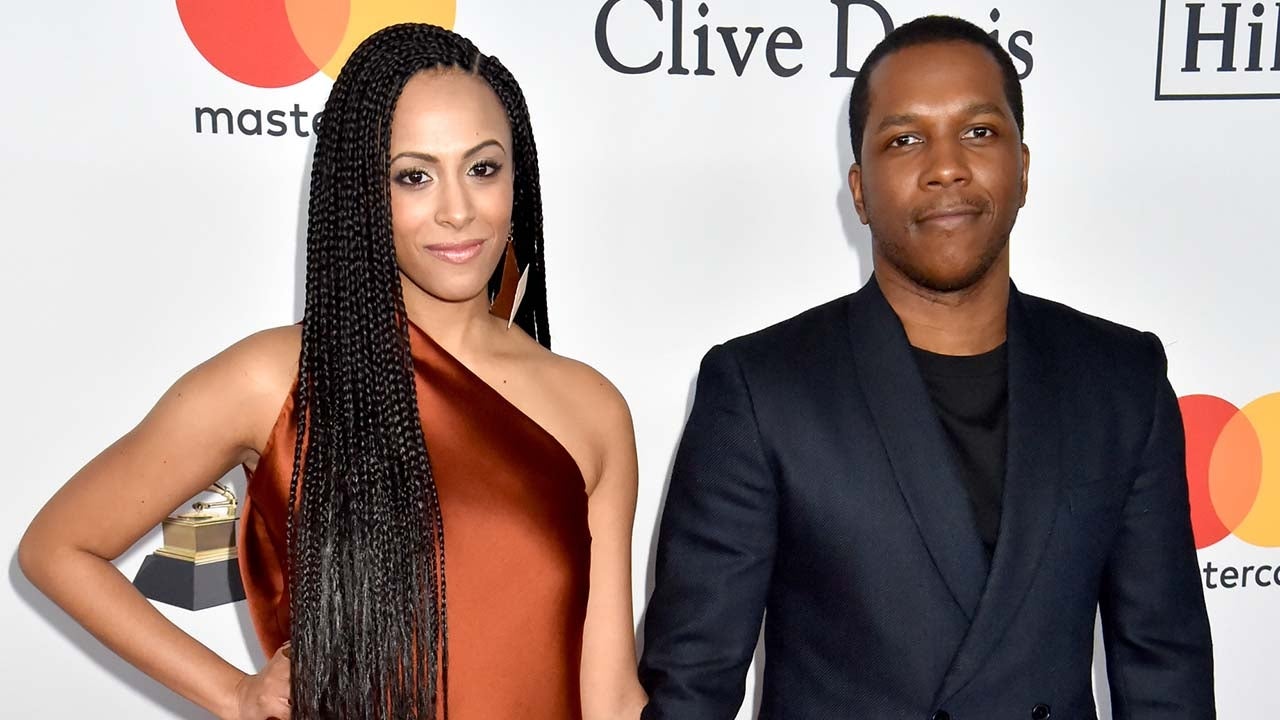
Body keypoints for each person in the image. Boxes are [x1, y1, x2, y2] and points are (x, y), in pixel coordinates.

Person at [20, 23, 646, 720]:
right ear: (363, 192)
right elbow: (58, 547)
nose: (458, 209)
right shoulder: (276, 379)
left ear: (516, 176)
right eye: (414, 175)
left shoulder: (590, 408)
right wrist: (232, 691)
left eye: (482, 167)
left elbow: (612, 695)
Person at [638, 15, 1214, 720]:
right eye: (905, 140)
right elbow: (691, 691)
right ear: (859, 188)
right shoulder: (761, 391)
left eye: (978, 132)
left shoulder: (1122, 380)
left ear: (1024, 168)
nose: (946, 166)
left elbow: (1166, 674)